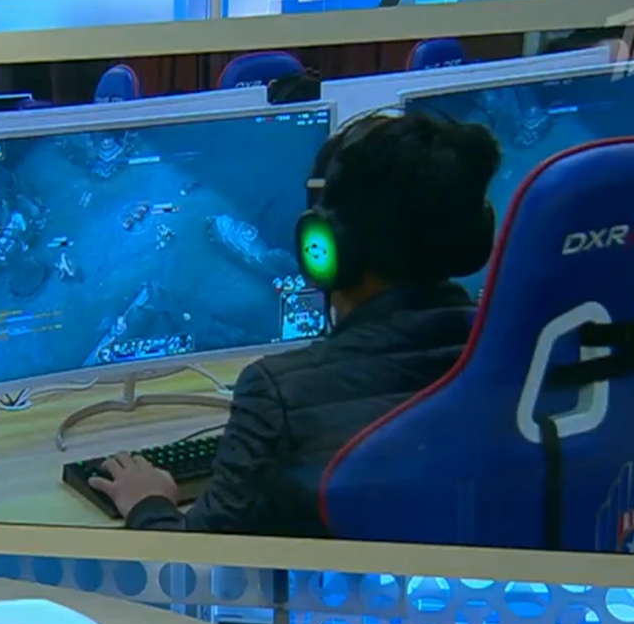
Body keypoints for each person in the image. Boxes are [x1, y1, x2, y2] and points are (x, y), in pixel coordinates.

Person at [90, 110, 502, 535]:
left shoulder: (279, 394)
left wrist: (148, 503)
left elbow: (194, 563)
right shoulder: (514, 356)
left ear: (322, 246)